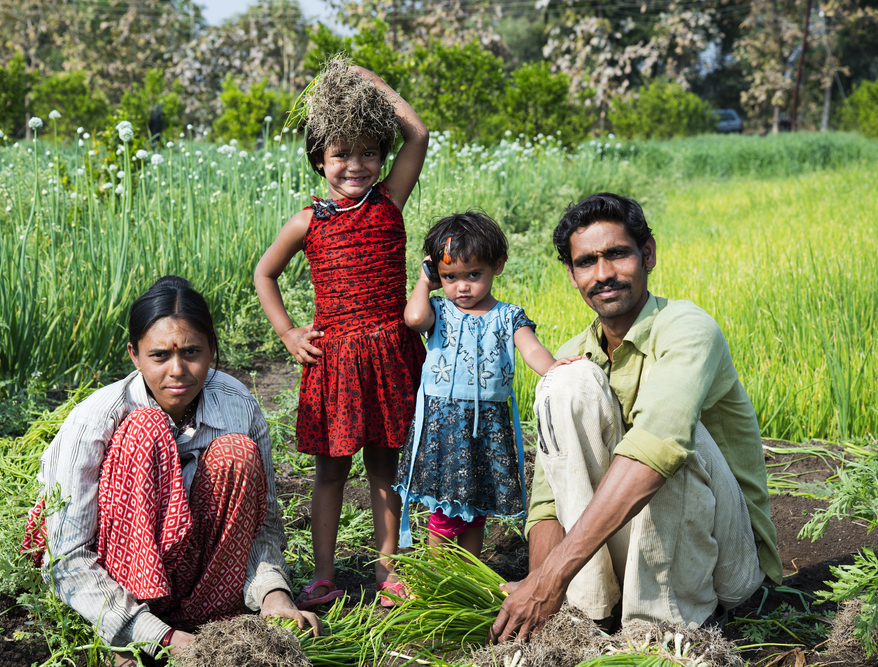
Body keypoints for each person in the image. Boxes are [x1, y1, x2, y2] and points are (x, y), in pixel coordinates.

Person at [489, 193, 782, 642]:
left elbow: (657, 447)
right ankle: (585, 616)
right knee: (564, 383)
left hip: (725, 564)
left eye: (618, 254)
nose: (603, 274)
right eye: (586, 261)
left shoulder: (686, 327)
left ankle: (660, 631)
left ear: (648, 254)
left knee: (671, 442)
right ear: (571, 275)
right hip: (627, 556)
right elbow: (550, 498)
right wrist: (537, 584)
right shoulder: (570, 357)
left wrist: (551, 579)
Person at [21, 276, 320, 665]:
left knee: (237, 453)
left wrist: (273, 594)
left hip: (203, 585)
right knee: (146, 430)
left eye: (192, 352)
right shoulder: (96, 420)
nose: (177, 370)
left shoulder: (237, 405)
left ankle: (206, 623)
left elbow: (263, 523)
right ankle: (132, 639)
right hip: (117, 585)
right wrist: (155, 636)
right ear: (135, 355)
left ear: (212, 349)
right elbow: (65, 557)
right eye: (159, 355)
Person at [254, 60, 427, 608]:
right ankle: (324, 574)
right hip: (334, 360)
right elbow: (264, 274)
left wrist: (367, 84)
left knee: (384, 469)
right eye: (340, 154)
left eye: (368, 152)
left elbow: (417, 133)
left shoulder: (388, 202)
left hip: (388, 354)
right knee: (329, 473)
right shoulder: (309, 220)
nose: (356, 165)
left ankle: (388, 571)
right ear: (319, 160)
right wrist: (287, 332)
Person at [394, 212, 574, 558]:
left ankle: (469, 573)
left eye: (473, 275)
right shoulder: (439, 310)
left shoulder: (509, 316)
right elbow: (413, 319)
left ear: (498, 266)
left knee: (477, 509)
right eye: (450, 277)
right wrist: (423, 281)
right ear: (437, 276)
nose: (462, 287)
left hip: (488, 424)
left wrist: (554, 369)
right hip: (445, 424)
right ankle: (439, 577)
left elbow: (531, 349)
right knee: (446, 510)